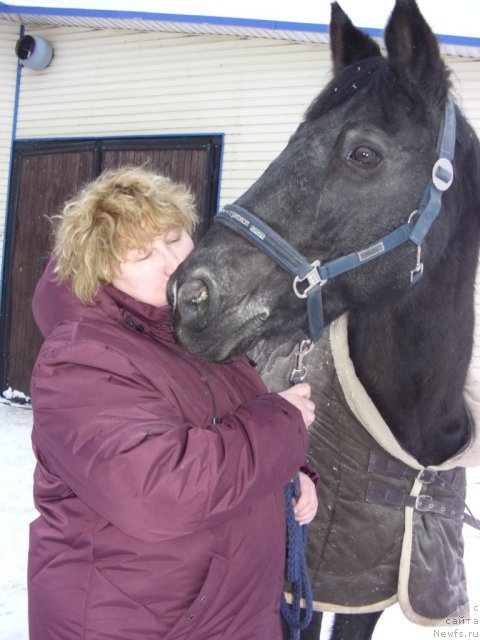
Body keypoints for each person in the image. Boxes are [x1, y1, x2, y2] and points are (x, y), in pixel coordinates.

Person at [28, 166, 318, 640]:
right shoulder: (80, 358)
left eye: (175, 237)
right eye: (141, 254)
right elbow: (159, 492)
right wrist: (281, 426)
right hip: (140, 622)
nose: (171, 262)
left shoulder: (191, 329)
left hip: (223, 612)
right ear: (101, 271)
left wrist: (285, 473)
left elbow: (225, 429)